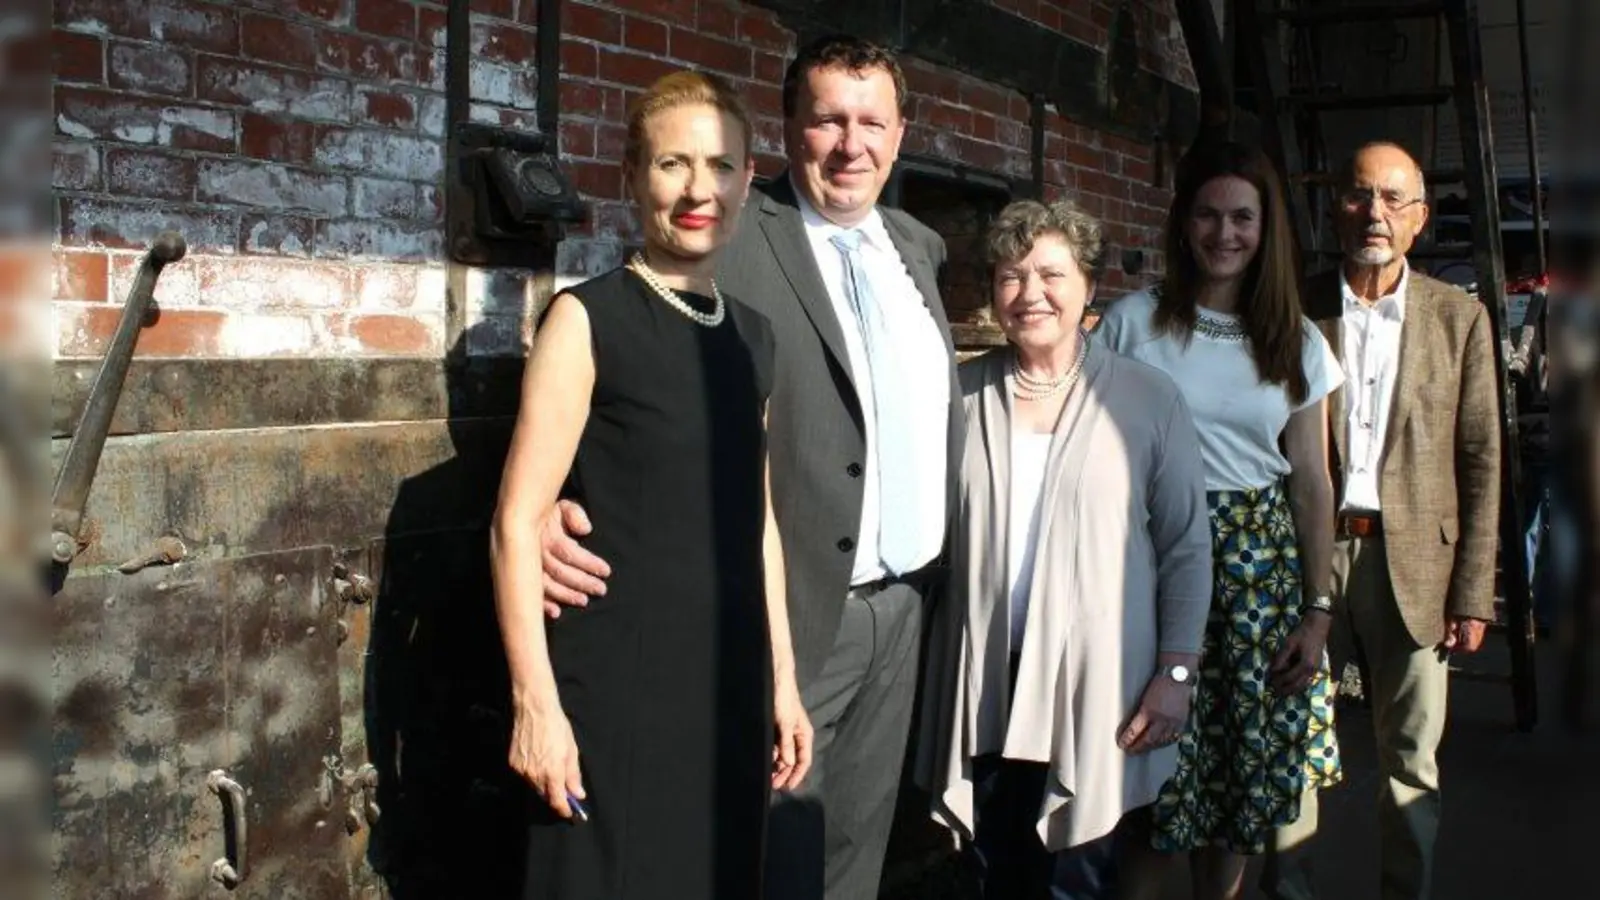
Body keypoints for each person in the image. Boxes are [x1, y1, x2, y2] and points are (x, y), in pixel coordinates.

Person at [537, 36, 962, 900]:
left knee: (855, 852)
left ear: (901, 131)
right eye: (828, 121)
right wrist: (548, 504)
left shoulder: (918, 247)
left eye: (872, 121)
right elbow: (620, 355)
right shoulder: (731, 226)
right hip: (794, 611)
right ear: (790, 128)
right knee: (768, 858)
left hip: (906, 609)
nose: (852, 144)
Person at [489, 70, 813, 900]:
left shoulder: (755, 337)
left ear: (747, 180)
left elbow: (759, 522)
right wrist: (536, 706)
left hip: (727, 688)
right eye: (673, 165)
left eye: (722, 166)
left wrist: (782, 681)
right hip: (616, 689)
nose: (699, 189)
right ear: (633, 178)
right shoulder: (586, 318)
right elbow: (517, 523)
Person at [913, 198, 1212, 900]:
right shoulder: (959, 394)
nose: (1030, 293)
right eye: (1011, 276)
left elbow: (1186, 546)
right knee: (993, 870)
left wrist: (1176, 674)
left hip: (1097, 684)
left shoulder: (1145, 397)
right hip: (985, 677)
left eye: (1051, 273)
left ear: (1088, 286)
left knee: (1077, 874)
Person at [1093, 140, 1345, 900]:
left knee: (1237, 794)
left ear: (1267, 229)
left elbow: (1311, 481)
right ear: (1182, 221)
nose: (1224, 233)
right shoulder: (1132, 323)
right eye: (1207, 213)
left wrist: (1318, 609)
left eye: (1242, 216)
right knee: (1149, 787)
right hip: (1149, 562)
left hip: (1255, 584)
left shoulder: (1297, 340)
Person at [1258, 140, 1501, 900]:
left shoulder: (1458, 319)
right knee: (1292, 744)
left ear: (1420, 219)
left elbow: (1482, 456)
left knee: (1410, 762)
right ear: (1337, 205)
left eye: (1395, 200)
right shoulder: (1293, 304)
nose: (1376, 213)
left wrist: (1472, 590)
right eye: (1362, 195)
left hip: (1416, 565)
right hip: (1306, 552)